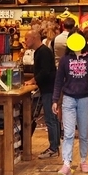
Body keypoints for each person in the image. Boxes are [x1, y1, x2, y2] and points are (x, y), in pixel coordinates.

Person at [52, 30, 88, 175]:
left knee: (84, 132)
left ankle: (83, 160)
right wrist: (55, 99)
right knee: (68, 133)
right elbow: (59, 80)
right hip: (68, 98)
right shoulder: (65, 60)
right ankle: (66, 163)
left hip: (85, 98)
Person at [24, 28, 60, 159]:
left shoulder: (43, 52)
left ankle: (53, 148)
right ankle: (55, 146)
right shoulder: (40, 51)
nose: (25, 41)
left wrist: (33, 80)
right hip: (47, 89)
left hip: (49, 89)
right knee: (51, 119)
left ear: (34, 38)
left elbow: (45, 71)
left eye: (26, 38)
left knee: (50, 118)